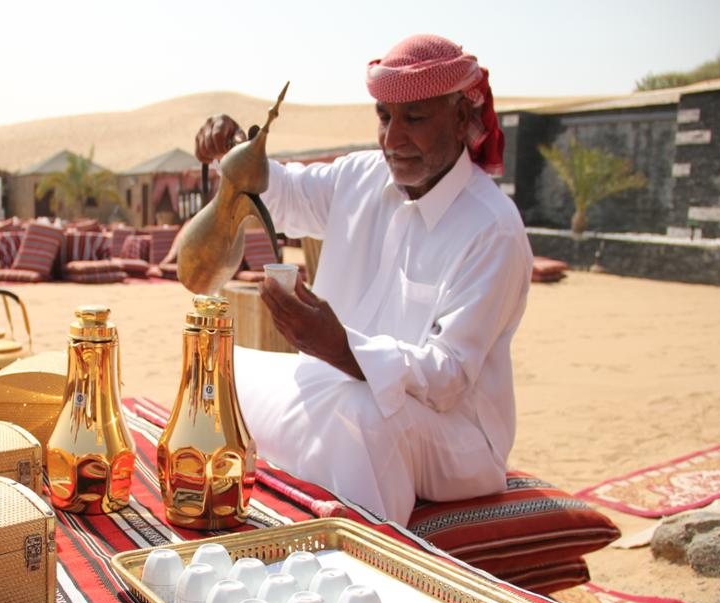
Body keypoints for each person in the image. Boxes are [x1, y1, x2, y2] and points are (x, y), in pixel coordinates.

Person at [194, 34, 533, 526]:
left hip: (454, 436)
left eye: (414, 119)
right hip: (339, 389)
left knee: (364, 412)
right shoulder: (360, 176)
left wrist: (342, 348)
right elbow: (282, 193)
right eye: (384, 117)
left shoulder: (492, 228)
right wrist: (234, 151)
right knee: (223, 372)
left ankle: (361, 559)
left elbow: (449, 378)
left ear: (461, 117)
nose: (393, 139)